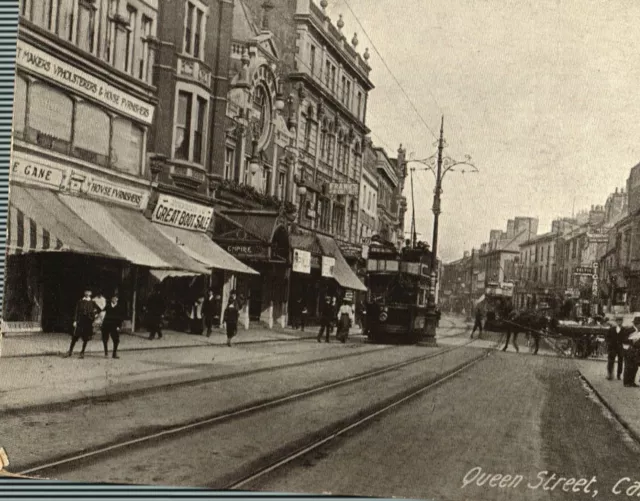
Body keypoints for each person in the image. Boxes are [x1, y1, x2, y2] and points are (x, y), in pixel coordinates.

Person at [64, 288, 99, 359]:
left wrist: (95, 315)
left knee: (86, 338)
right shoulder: (80, 301)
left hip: (88, 322)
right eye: (86, 291)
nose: (87, 293)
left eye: (89, 292)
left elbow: (98, 310)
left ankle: (82, 352)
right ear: (84, 293)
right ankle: (70, 351)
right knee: (75, 336)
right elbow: (76, 311)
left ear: (91, 293)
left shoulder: (92, 302)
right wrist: (75, 320)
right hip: (80, 321)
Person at [101, 292, 125, 359]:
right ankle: (106, 353)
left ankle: (114, 353)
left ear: (117, 299)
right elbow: (102, 313)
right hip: (106, 324)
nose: (114, 299)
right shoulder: (108, 306)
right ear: (111, 299)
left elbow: (120, 317)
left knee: (116, 340)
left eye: (115, 298)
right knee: (105, 339)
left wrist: (119, 326)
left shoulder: (119, 307)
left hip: (114, 325)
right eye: (113, 298)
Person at [623, 319, 640, 387]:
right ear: (637, 324)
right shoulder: (629, 330)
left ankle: (632, 382)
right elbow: (623, 339)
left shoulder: (639, 331)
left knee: (634, 367)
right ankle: (626, 382)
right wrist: (631, 341)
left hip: (636, 351)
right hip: (628, 349)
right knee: (628, 366)